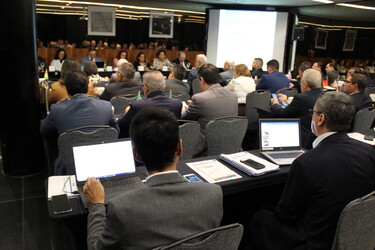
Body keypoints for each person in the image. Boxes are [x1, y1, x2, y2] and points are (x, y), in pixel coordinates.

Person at [250, 91, 375, 250]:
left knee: (259, 216)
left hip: (310, 239)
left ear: (321, 118)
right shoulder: (369, 152)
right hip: (351, 232)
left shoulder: (306, 162)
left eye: (313, 113)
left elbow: (286, 214)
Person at [84, 108, 223, 249]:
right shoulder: (214, 193)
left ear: (135, 155)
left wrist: (96, 204)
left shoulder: (122, 208)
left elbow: (95, 248)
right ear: (180, 147)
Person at [40, 71, 119, 174]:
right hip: (104, 162)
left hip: (69, 167)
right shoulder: (106, 106)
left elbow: (44, 130)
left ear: (67, 89)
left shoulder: (57, 109)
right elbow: (116, 132)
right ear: (87, 87)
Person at [182, 64, 237, 157]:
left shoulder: (199, 98)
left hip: (204, 146)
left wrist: (184, 107)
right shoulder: (233, 96)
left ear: (202, 80)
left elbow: (186, 117)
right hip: (229, 143)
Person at [118, 71, 182, 138]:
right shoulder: (177, 104)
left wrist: (126, 112)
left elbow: (121, 126)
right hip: (169, 144)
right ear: (164, 87)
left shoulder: (137, 106)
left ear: (145, 88)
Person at [271, 68, 323, 149]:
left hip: (302, 140)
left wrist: (275, 104)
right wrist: (288, 103)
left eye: (301, 82)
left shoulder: (301, 97)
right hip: (318, 140)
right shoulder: (325, 96)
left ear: (305, 84)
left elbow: (282, 114)